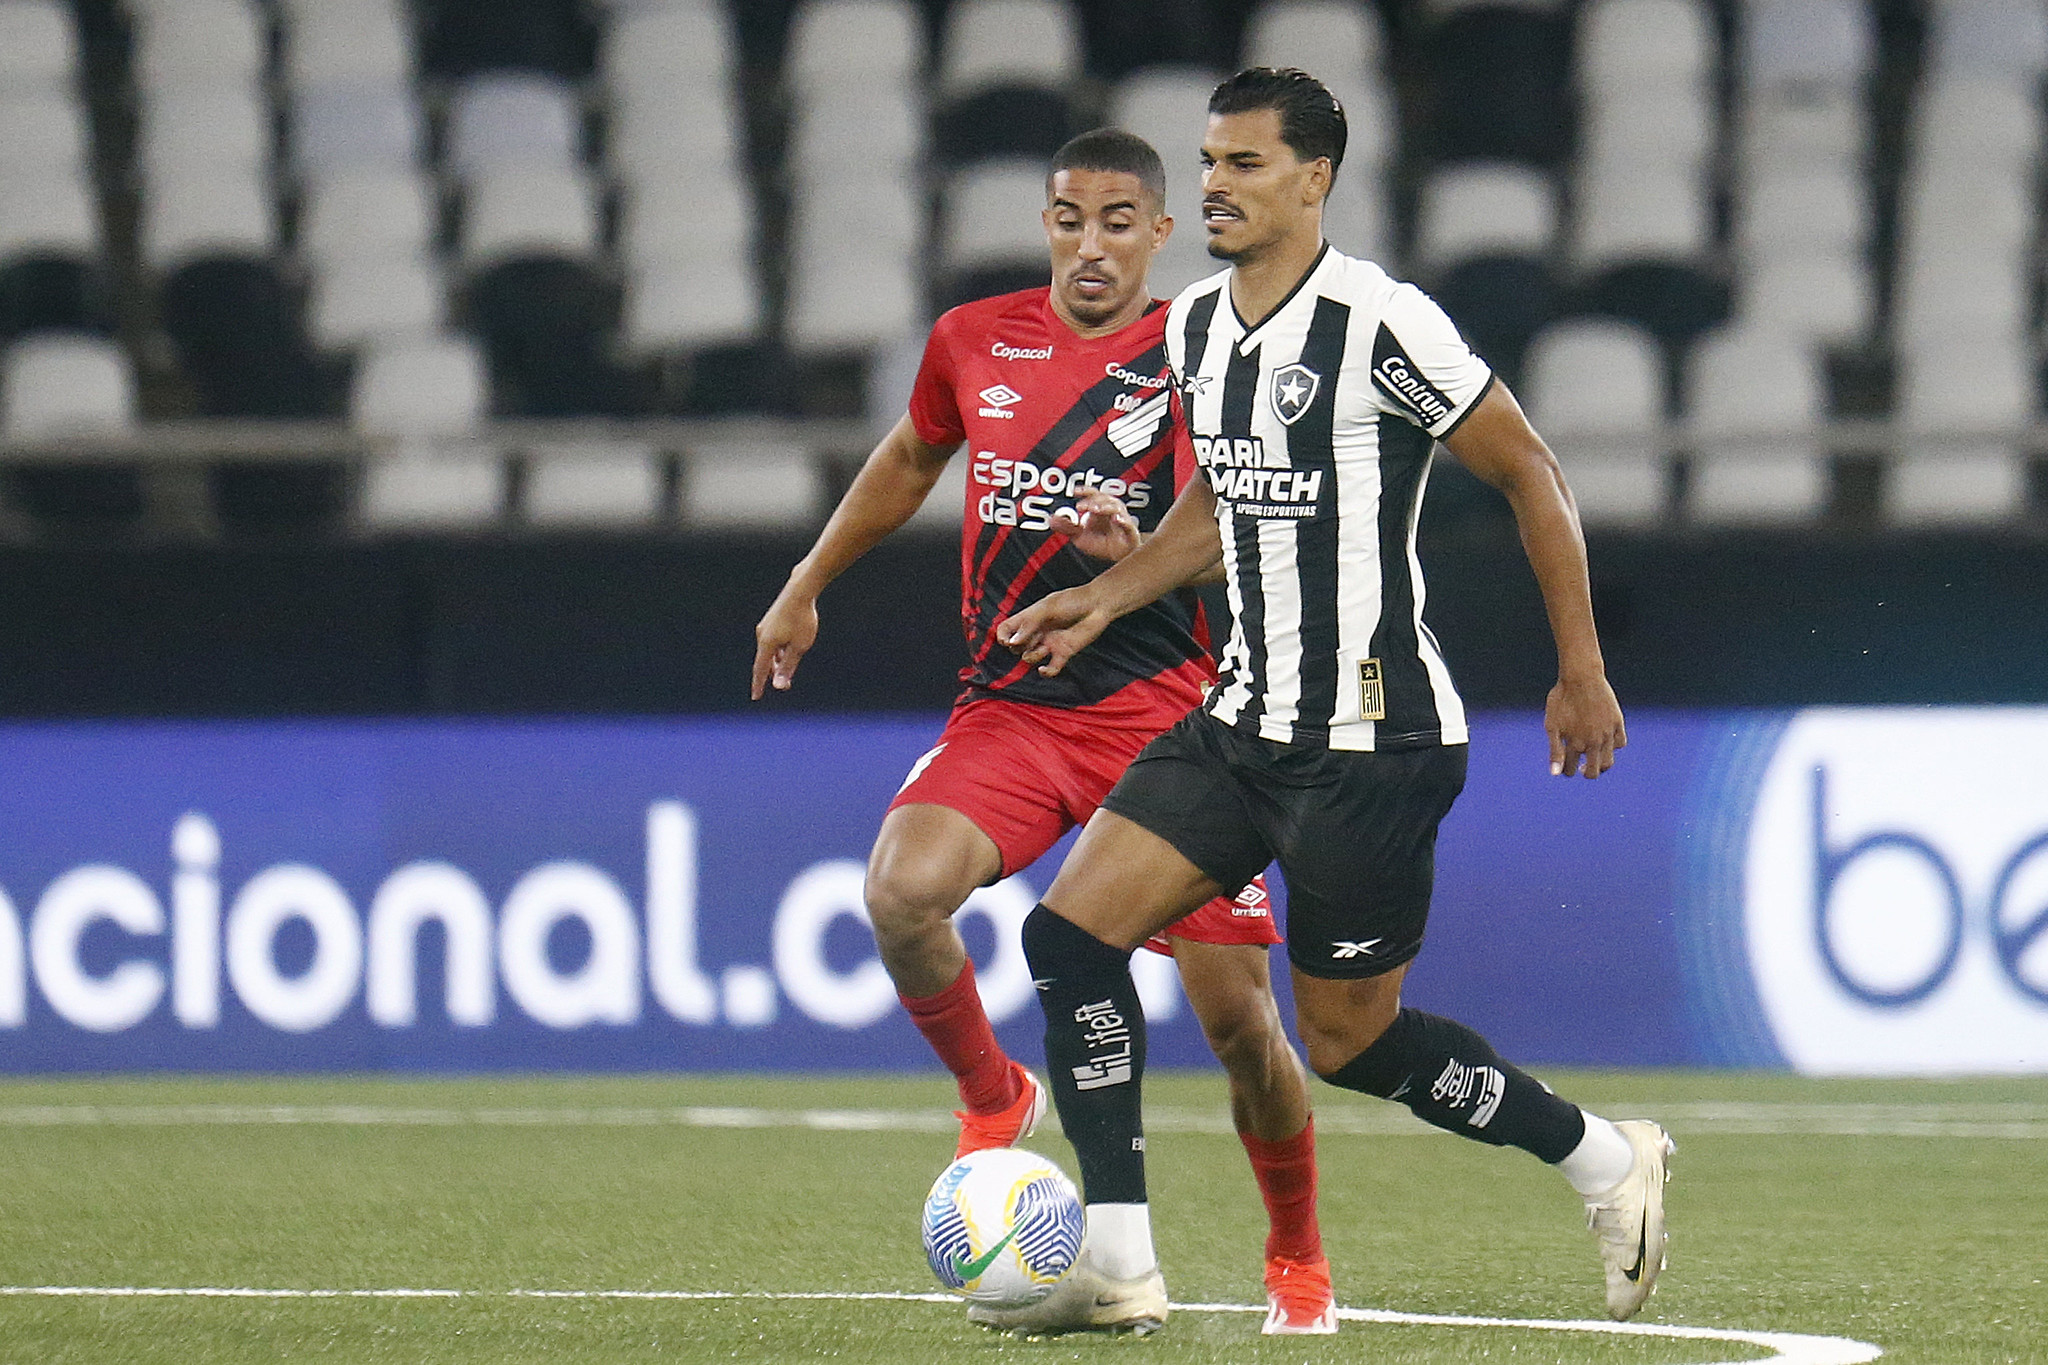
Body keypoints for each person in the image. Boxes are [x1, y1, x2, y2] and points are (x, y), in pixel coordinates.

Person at [993, 68, 1675, 1332]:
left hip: (1373, 740)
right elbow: (1218, 509)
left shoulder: (1382, 323)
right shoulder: (1194, 326)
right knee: (1067, 938)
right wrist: (1114, 587)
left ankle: (1600, 1158)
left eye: (1244, 164)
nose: (1212, 185)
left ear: (1314, 179)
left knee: (1351, 1048)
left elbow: (1529, 472)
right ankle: (1117, 1259)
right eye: (1207, 162)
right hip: (1241, 721)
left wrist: (1578, 668)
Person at [751, 128, 1338, 1337]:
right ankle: (992, 1093)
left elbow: (1247, 527)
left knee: (1239, 1027)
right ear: (1046, 225)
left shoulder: (1200, 352)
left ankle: (1295, 1253)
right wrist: (806, 581)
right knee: (901, 893)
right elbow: (911, 455)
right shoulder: (975, 339)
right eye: (1069, 218)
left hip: (1167, 725)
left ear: (1160, 235)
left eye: (1118, 220)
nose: (1090, 244)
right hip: (1011, 712)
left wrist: (1137, 570)